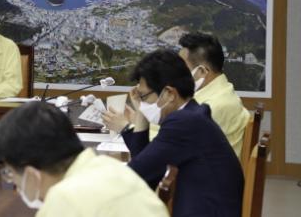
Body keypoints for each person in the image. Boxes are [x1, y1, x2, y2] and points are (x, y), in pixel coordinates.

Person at [103, 50, 243, 217]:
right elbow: (146, 173)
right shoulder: (192, 114)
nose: (142, 103)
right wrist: (141, 112)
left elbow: (135, 175)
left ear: (169, 94)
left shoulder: (184, 123)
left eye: (143, 96)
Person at [0, 101, 169, 217]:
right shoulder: (110, 167)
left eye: (11, 174)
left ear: (31, 174)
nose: (16, 187)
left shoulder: (64, 199)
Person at [178, 32, 250, 157]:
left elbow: (173, 143)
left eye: (181, 67)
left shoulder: (213, 106)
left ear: (201, 71)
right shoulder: (222, 91)